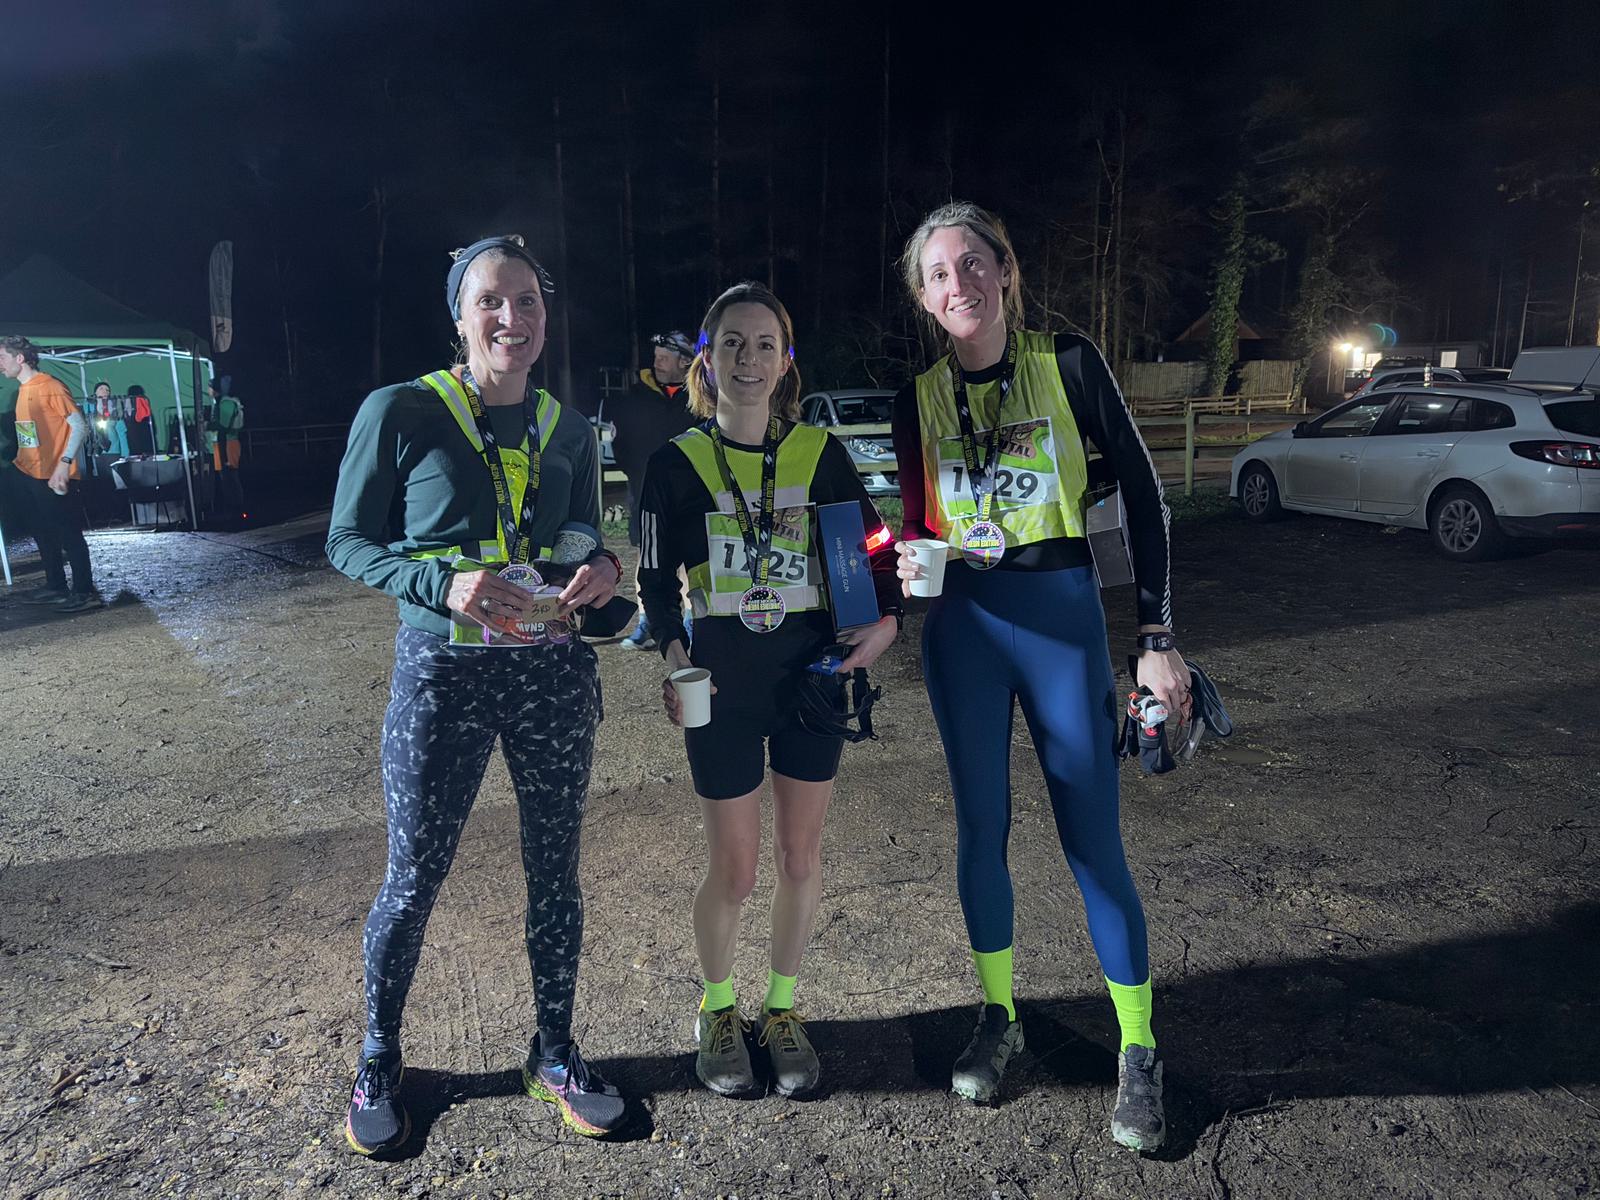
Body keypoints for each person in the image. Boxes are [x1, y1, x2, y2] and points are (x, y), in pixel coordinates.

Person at [890, 202, 1190, 1151]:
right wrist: (902, 561)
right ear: (924, 298)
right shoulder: (917, 399)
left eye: (972, 264)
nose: (958, 285)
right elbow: (912, 529)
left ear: (1005, 271)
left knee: (1090, 838)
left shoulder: (1068, 365)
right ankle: (999, 1017)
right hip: (965, 626)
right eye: (938, 274)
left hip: (1059, 616)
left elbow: (1145, 494)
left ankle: (1137, 1052)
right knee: (983, 829)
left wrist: (1156, 632)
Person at [325, 235, 629, 1154]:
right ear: (460, 315)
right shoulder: (404, 410)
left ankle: (556, 1052)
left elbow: (585, 528)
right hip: (442, 674)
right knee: (413, 877)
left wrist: (606, 567)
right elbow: (345, 541)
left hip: (547, 673)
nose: (512, 318)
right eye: (492, 300)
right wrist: (439, 583)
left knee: (555, 875)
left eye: (529, 301)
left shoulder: (567, 428)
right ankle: (380, 1056)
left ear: (546, 315)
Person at [636, 282, 902, 1099]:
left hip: (810, 680)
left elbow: (874, 545)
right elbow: (652, 580)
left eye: (763, 345)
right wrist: (672, 651)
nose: (746, 360)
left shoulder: (820, 453)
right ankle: (719, 1012)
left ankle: (782, 1010)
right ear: (705, 363)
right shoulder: (673, 464)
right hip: (719, 684)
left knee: (800, 856)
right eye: (730, 345)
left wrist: (885, 622)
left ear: (784, 362)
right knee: (739, 869)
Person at [0, 336, 103, 612]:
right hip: (29, 472)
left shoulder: (50, 387)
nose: (0, 365)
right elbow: (30, 436)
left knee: (68, 532)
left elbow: (80, 426)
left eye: (2, 358)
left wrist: (63, 464)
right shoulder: (24, 390)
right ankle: (56, 585)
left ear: (19, 359)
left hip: (52, 474)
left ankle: (84, 591)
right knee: (42, 531)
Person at [611, 330, 696, 650]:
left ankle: (690, 619)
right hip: (645, 489)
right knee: (647, 555)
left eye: (665, 358)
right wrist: (637, 471)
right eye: (656, 357)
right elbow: (620, 444)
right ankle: (648, 621)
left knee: (690, 554)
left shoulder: (699, 398)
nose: (658, 363)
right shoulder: (634, 397)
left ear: (684, 361)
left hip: (690, 493)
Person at [207, 380, 245, 514]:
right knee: (225, 476)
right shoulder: (220, 403)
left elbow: (224, 426)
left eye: (209, 388)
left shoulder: (226, 403)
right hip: (222, 443)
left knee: (230, 475)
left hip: (229, 443)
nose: (208, 391)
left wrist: (208, 425)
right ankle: (232, 505)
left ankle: (236, 506)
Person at [94, 381, 131, 458]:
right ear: (95, 393)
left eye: (107, 390)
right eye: (101, 389)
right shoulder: (89, 407)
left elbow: (122, 433)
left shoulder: (115, 409)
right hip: (93, 451)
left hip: (113, 451)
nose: (105, 391)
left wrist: (125, 455)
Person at [127, 384, 155, 455]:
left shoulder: (128, 408)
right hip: (148, 444)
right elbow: (153, 429)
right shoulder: (145, 407)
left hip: (133, 445)